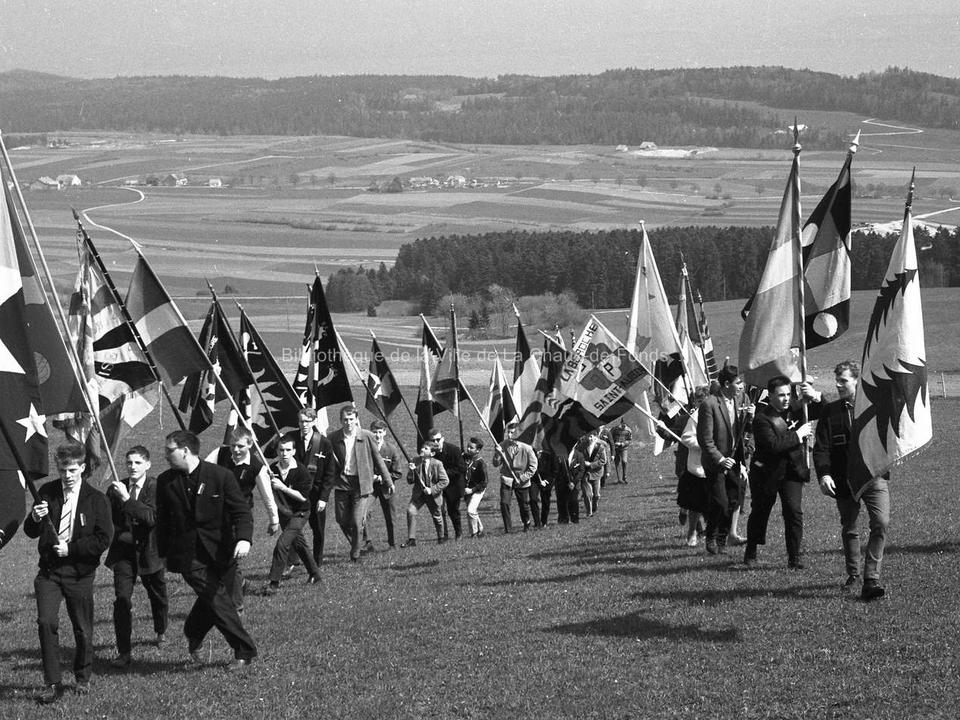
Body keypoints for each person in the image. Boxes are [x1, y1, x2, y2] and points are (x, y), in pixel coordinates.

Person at [156, 430, 257, 671]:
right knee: (217, 598)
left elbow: (241, 512)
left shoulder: (220, 476)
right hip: (189, 555)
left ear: (185, 451)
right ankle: (244, 650)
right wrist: (161, 554)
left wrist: (244, 539)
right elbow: (163, 522)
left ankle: (192, 632)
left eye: (170, 450)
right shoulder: (165, 481)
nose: (166, 455)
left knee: (214, 599)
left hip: (223, 550)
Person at [24, 443, 113, 704]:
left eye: (73, 469)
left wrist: (72, 549)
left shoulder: (96, 499)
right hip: (50, 571)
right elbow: (30, 531)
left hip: (80, 573)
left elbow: (104, 538)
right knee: (46, 622)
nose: (67, 475)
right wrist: (36, 518)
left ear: (83, 467)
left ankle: (82, 676)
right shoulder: (47, 492)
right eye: (63, 469)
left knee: (83, 628)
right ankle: (52, 682)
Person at [813, 360, 889, 601]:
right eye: (837, 380)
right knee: (850, 527)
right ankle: (854, 574)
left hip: (873, 475)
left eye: (843, 380)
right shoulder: (830, 411)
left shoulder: (874, 405)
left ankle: (871, 578)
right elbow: (821, 448)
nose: (838, 384)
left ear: (857, 380)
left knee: (881, 522)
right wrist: (824, 474)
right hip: (842, 478)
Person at [743, 375, 822, 569]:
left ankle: (794, 558)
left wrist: (815, 396)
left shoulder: (797, 409)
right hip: (767, 473)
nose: (786, 398)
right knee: (760, 511)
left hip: (792, 471)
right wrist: (799, 434)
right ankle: (751, 551)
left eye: (788, 394)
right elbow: (773, 445)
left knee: (794, 512)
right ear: (770, 395)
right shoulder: (762, 418)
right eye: (780, 395)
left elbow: (823, 409)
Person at [105, 446, 168, 669]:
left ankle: (160, 630)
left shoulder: (155, 487)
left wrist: (127, 499)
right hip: (123, 555)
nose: (132, 467)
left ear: (148, 465)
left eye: (138, 463)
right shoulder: (115, 489)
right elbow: (107, 520)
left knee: (158, 597)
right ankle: (124, 651)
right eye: (129, 462)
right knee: (122, 601)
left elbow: (151, 518)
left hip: (150, 552)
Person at [209, 427, 279, 610]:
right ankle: (240, 584)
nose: (236, 450)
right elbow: (202, 471)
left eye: (240, 446)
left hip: (239, 518)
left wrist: (274, 519)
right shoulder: (220, 453)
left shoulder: (257, 467)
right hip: (217, 516)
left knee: (231, 559)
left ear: (249, 444)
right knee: (220, 558)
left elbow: (267, 495)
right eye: (233, 446)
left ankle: (236, 606)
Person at [322, 405, 393, 562]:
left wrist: (388, 480)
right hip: (342, 483)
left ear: (356, 420)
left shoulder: (367, 436)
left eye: (351, 419)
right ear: (340, 420)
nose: (348, 422)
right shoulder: (333, 438)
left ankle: (355, 554)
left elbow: (378, 459)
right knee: (341, 519)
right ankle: (358, 544)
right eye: (345, 419)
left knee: (356, 520)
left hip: (361, 484)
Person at [696, 365, 753, 555]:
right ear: (727, 384)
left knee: (733, 501)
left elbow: (743, 430)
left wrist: (750, 418)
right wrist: (720, 459)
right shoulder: (709, 404)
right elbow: (705, 439)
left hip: (736, 460)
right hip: (716, 464)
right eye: (738, 383)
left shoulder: (739, 401)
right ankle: (711, 536)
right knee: (720, 502)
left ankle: (722, 539)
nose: (741, 386)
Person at [262, 434, 321, 595]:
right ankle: (315, 574)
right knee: (299, 544)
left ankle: (273, 583)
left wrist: (283, 487)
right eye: (281, 450)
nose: (284, 453)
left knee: (282, 544)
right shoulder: (272, 470)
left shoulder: (302, 471)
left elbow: (303, 497)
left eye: (288, 450)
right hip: (284, 512)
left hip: (300, 512)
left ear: (294, 451)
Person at [295, 407, 337, 567]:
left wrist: (324, 498)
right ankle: (293, 560)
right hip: (296, 493)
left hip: (316, 493)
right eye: (301, 421)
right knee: (293, 529)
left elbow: (330, 472)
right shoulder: (292, 438)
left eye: (307, 421)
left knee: (318, 530)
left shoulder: (324, 442)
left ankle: (317, 562)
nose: (303, 425)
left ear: (313, 422)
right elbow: (273, 452)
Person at [361, 419, 403, 551]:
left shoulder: (391, 449)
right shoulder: (365, 448)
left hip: (386, 487)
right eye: (374, 432)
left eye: (380, 432)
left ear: (384, 432)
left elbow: (398, 473)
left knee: (391, 515)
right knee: (363, 512)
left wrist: (382, 478)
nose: (377, 435)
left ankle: (393, 543)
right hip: (370, 487)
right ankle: (368, 542)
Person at [678, 388, 711, 546]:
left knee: (716, 502)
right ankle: (692, 531)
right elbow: (686, 437)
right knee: (696, 503)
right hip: (698, 466)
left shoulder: (717, 412)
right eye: (699, 401)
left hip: (717, 464)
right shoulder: (695, 417)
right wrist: (703, 446)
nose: (702, 404)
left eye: (705, 400)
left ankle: (713, 533)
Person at [401, 441, 450, 547]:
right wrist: (411, 471)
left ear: (432, 454)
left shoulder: (437, 464)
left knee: (437, 517)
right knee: (411, 511)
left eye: (426, 449)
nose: (422, 450)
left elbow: (445, 481)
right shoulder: (415, 461)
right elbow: (410, 481)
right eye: (422, 448)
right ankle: (411, 539)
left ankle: (441, 537)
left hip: (433, 496)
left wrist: (432, 490)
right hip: (419, 494)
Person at [493, 421, 538, 532]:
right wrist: (498, 454)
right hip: (507, 479)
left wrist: (522, 478)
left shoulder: (527, 447)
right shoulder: (503, 445)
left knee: (524, 505)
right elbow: (495, 464)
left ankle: (526, 522)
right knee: (504, 503)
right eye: (508, 432)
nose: (509, 435)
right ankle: (508, 528)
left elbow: (533, 466)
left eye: (512, 433)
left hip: (521, 480)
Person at [428, 428, 466, 540]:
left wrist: (443, 474)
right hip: (439, 487)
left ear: (442, 439)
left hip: (453, 486)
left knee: (453, 511)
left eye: (438, 440)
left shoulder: (454, 450)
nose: (436, 442)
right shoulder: (431, 453)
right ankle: (443, 535)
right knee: (440, 510)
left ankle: (458, 533)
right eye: (433, 440)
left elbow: (461, 468)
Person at [576, 430, 607, 517]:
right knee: (587, 494)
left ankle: (594, 507)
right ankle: (589, 512)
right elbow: (576, 457)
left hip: (597, 473)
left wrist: (591, 464)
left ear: (595, 437)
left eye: (591, 436)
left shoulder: (600, 447)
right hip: (585, 473)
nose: (589, 438)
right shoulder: (581, 446)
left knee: (596, 495)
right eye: (588, 436)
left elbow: (603, 460)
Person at [462, 437, 488, 537]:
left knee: (470, 510)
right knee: (472, 511)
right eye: (468, 446)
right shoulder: (465, 459)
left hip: (478, 489)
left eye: (471, 448)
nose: (468, 449)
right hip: (467, 489)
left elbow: (484, 482)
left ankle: (474, 533)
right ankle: (480, 529)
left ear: (477, 450)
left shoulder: (480, 463)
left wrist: (472, 490)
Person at [532, 448, 560, 527]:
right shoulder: (531, 451)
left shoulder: (551, 453)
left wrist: (547, 481)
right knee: (533, 499)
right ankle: (537, 522)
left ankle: (544, 521)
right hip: (534, 480)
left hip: (547, 481)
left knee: (545, 501)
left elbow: (555, 470)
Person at [554, 450, 579, 524]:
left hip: (574, 482)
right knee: (561, 501)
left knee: (573, 500)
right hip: (561, 482)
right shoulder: (558, 456)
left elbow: (581, 470)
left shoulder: (579, 455)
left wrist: (573, 482)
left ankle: (574, 518)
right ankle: (563, 518)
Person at [610, 418, 633, 484]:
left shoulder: (628, 430)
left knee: (624, 461)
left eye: (625, 425)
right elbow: (610, 437)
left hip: (624, 448)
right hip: (616, 449)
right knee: (617, 462)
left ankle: (624, 477)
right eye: (623, 424)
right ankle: (619, 479)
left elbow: (629, 440)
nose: (624, 426)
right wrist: (613, 444)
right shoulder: (615, 429)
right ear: (621, 423)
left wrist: (622, 444)